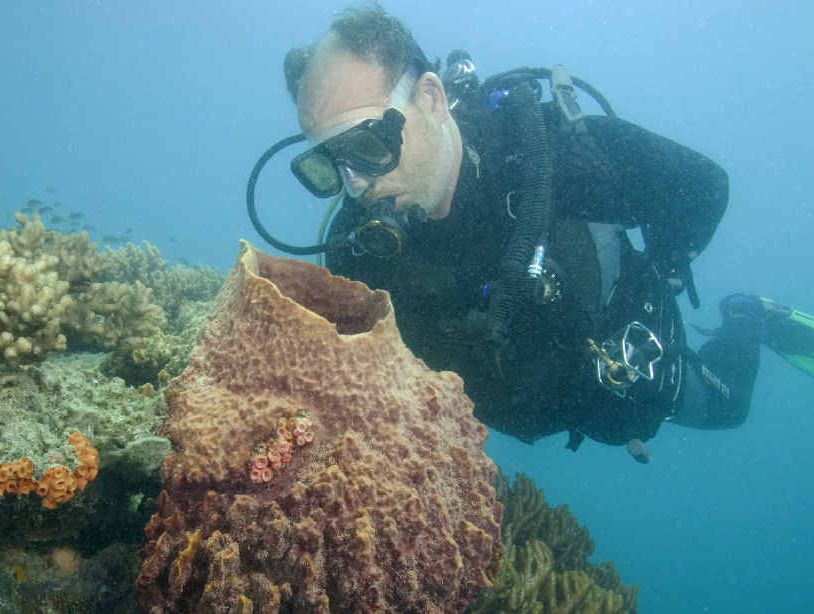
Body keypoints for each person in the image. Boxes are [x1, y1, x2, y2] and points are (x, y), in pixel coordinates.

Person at [273, 6, 814, 462]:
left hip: (621, 369)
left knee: (727, 409)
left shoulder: (557, 155)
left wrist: (664, 275)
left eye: (369, 146)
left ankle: (750, 320)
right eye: (328, 162)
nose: (357, 183)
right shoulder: (356, 249)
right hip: (532, 406)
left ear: (431, 99)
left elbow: (703, 187)